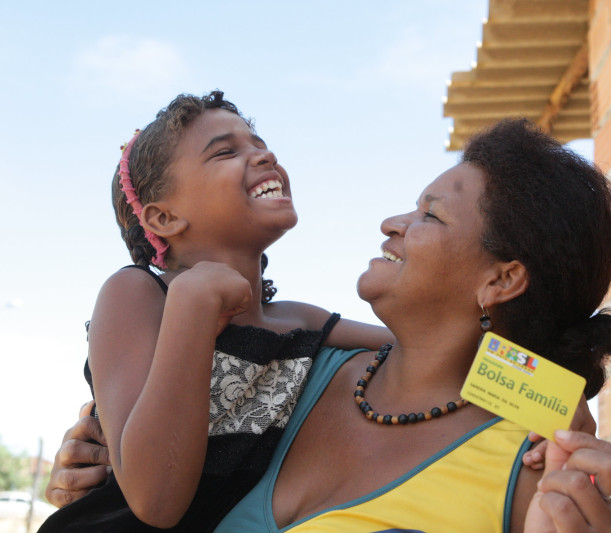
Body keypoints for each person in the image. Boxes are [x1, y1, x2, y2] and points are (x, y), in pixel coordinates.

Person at [46, 118, 611, 532]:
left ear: (501, 281)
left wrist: (553, 398)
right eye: (223, 151)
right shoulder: (297, 372)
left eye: (429, 214)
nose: (391, 222)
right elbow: (154, 470)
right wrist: (105, 461)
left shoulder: (526, 469)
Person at [38, 91, 392, 532]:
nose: (265, 155)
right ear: (163, 218)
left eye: (259, 143)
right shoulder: (139, 293)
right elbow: (154, 500)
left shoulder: (300, 320)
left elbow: (427, 348)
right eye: (226, 151)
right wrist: (193, 306)